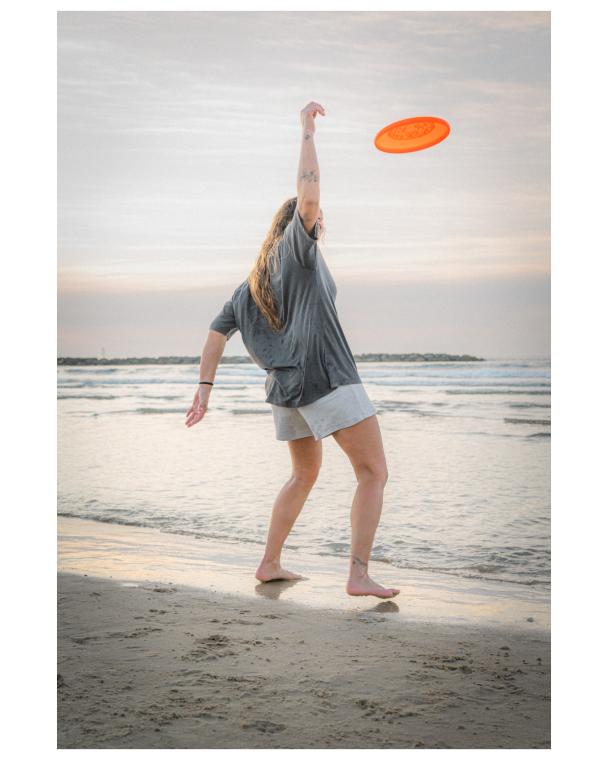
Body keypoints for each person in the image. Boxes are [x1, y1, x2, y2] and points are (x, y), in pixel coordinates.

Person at [185, 102, 399, 599]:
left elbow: (216, 334)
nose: (320, 218)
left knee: (303, 475)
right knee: (373, 472)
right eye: (315, 214)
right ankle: (358, 573)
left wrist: (204, 389)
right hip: (328, 379)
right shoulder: (297, 250)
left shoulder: (247, 286)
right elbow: (307, 190)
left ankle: (269, 562)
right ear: (299, 220)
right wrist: (306, 133)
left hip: (286, 392)